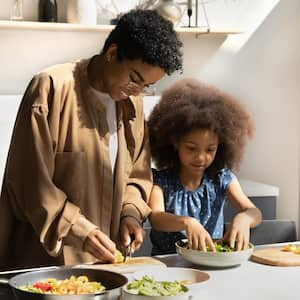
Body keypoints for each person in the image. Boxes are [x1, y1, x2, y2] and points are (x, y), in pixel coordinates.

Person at [0, 9, 183, 270]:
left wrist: (130, 213)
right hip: (45, 269)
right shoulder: (51, 88)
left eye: (146, 86)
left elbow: (137, 174)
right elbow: (30, 182)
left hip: (105, 269)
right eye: (134, 79)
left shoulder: (133, 105)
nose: (138, 91)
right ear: (111, 54)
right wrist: (80, 230)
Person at [147, 78, 262, 255]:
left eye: (210, 149)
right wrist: (187, 222)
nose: (201, 157)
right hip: (167, 265)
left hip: (212, 264)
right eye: (191, 148)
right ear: (175, 143)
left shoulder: (222, 178)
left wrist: (244, 218)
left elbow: (254, 211)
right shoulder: (161, 181)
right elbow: (156, 218)